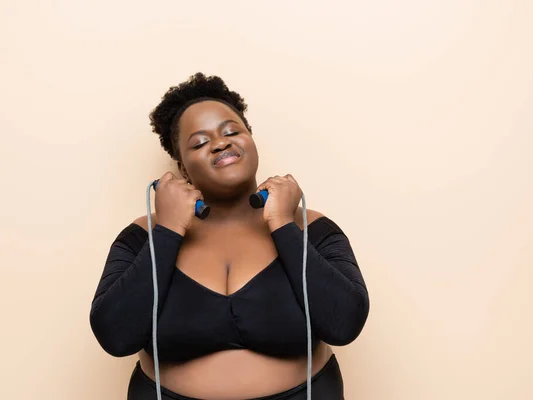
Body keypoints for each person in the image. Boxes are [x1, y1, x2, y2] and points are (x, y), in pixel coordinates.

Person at [89, 72, 370, 400]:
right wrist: (168, 230)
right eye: (199, 142)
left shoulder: (312, 228)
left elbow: (345, 324)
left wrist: (282, 223)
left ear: (250, 139)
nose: (220, 143)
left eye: (232, 131)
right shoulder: (143, 236)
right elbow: (115, 336)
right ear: (182, 167)